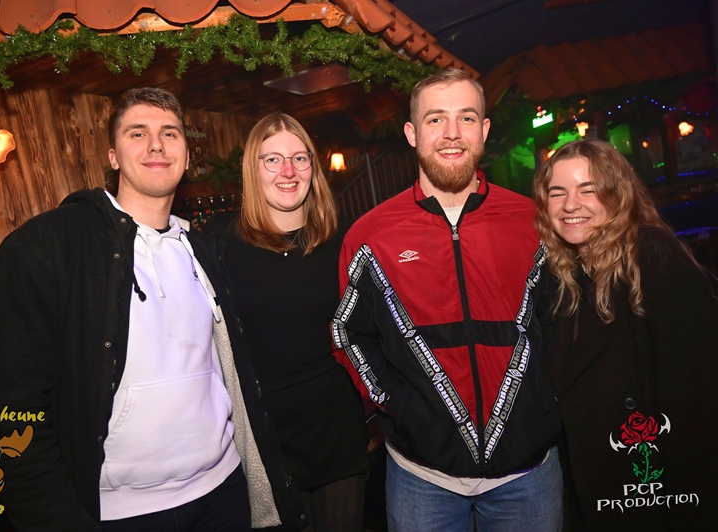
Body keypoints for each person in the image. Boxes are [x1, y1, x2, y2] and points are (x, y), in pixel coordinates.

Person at [0, 87, 304, 531]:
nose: (156, 145)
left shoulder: (204, 252)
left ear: (186, 157)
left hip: (224, 491)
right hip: (122, 513)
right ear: (112, 157)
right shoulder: (50, 246)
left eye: (170, 133)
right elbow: (8, 409)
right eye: (137, 133)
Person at [331, 68, 562, 531]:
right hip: (422, 477)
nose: (452, 133)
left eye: (466, 118)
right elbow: (349, 334)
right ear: (412, 133)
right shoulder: (370, 235)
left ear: (484, 130)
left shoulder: (535, 222)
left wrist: (546, 404)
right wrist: (394, 403)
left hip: (527, 473)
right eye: (436, 119)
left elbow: (565, 323)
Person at [533, 138, 718, 530]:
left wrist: (683, 500)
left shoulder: (652, 254)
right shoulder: (565, 274)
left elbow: (697, 388)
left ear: (617, 196)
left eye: (588, 190)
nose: (570, 205)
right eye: (557, 192)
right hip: (599, 478)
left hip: (654, 482)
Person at [205, 113, 369, 531]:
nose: (288, 171)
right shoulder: (219, 245)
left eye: (300, 158)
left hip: (336, 432)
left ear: (313, 167)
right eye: (273, 159)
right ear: (253, 168)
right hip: (263, 438)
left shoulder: (343, 241)